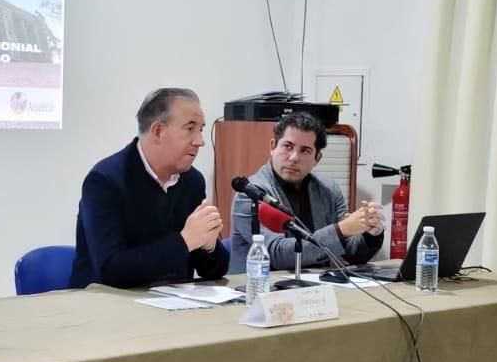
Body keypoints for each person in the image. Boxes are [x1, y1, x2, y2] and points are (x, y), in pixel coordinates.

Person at [69, 88, 231, 289]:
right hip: (105, 307)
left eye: (201, 130)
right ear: (158, 131)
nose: (200, 141)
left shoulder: (193, 181)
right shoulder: (105, 181)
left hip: (173, 307)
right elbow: (111, 271)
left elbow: (214, 272)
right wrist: (185, 241)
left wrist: (209, 245)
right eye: (190, 129)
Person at [229, 112, 383, 273]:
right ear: (273, 147)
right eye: (287, 146)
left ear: (317, 159)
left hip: (316, 290)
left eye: (305, 151)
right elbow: (276, 255)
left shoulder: (329, 190)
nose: (294, 157)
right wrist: (341, 229)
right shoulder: (250, 194)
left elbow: (349, 252)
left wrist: (370, 233)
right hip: (259, 289)